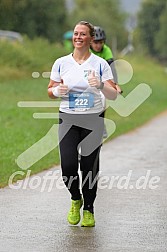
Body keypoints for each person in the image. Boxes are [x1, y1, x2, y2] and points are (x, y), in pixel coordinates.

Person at [48, 21, 117, 227]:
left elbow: (113, 95)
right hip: (68, 118)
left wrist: (102, 85)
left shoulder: (100, 64)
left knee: (89, 168)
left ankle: (89, 208)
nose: (78, 37)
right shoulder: (61, 62)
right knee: (68, 166)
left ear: (90, 38)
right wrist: (56, 92)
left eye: (82, 34)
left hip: (92, 120)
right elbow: (50, 90)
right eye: (76, 34)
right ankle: (75, 198)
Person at [90, 26, 122, 137]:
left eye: (101, 42)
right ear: (90, 42)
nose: (98, 46)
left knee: (102, 101)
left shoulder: (106, 50)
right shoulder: (85, 50)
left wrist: (115, 84)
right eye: (95, 42)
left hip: (101, 80)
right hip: (86, 80)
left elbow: (112, 68)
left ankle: (101, 124)